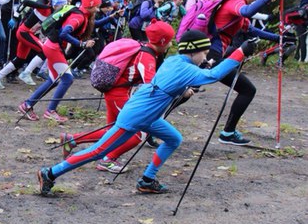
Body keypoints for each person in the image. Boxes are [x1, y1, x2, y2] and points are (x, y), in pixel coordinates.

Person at [37, 30, 258, 196]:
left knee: (173, 139)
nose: (205, 56)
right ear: (194, 51)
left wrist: (187, 85)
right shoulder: (184, 67)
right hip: (138, 115)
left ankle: (147, 180)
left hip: (147, 114)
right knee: (98, 151)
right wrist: (240, 52)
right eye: (204, 52)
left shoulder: (175, 61)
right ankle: (50, 173)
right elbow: (213, 76)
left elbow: (181, 79)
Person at [60, 21, 175, 173]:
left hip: (117, 92)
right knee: (138, 132)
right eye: (169, 41)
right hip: (118, 94)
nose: (171, 43)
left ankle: (72, 139)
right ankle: (107, 159)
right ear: (162, 41)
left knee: (112, 131)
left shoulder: (144, 48)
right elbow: (151, 84)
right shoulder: (146, 56)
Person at [209, 0, 288, 145]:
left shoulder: (239, 5)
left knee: (246, 89)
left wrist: (278, 38)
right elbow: (247, 12)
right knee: (180, 91)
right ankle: (147, 123)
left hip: (214, 54)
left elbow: (251, 30)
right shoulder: (234, 3)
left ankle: (228, 133)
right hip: (208, 55)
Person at [18, 0, 100, 123]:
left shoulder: (79, 12)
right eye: (96, 6)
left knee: (53, 80)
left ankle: (27, 105)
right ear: (89, 5)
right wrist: (82, 44)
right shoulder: (78, 17)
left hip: (51, 45)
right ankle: (51, 111)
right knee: (68, 79)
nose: (97, 9)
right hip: (53, 47)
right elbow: (64, 33)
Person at [0, 0, 62, 89]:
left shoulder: (49, 5)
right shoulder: (42, 3)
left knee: (19, 59)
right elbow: (25, 2)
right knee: (45, 50)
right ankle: (26, 73)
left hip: (29, 33)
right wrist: (15, 17)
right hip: (24, 32)